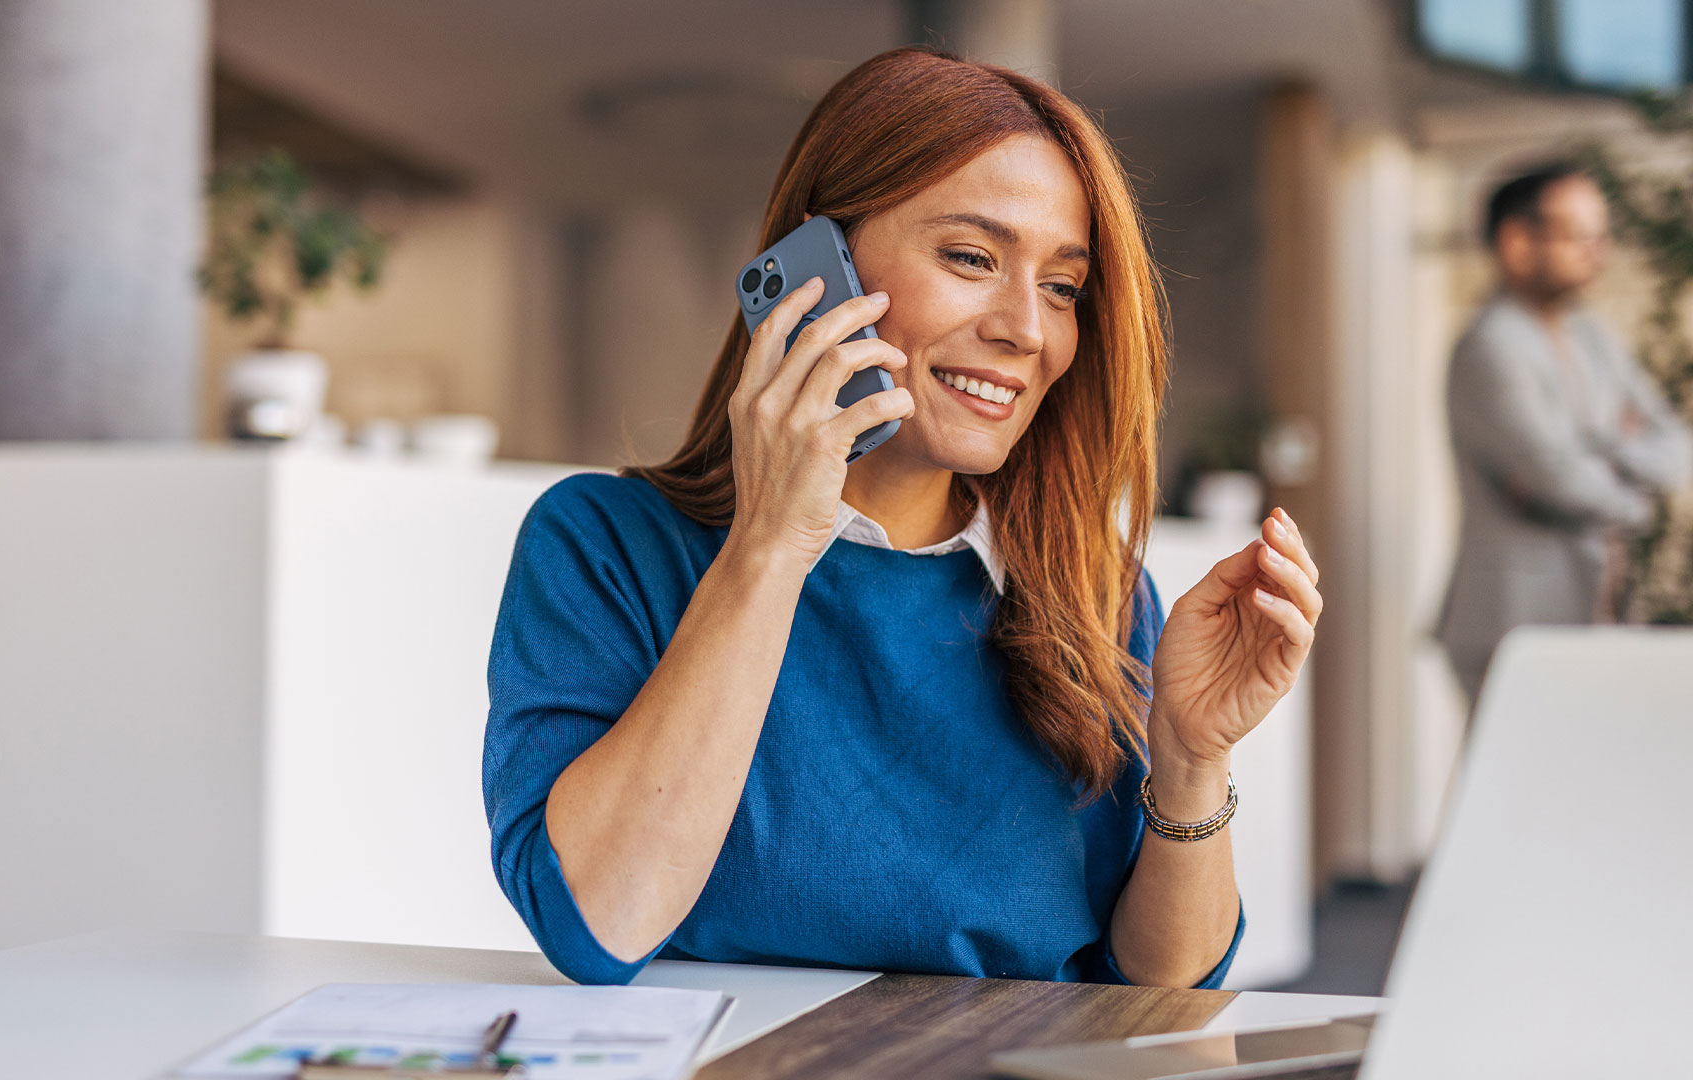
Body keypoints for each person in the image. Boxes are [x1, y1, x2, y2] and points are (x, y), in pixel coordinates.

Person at [482, 47, 1322, 988]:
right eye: (971, 258)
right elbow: (599, 920)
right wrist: (771, 548)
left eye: (1061, 286)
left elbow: (1163, 990)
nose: (1028, 330)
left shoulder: (1094, 588)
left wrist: (1190, 756)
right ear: (814, 270)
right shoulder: (603, 547)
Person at [1437, 163, 1693, 710]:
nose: (1597, 251)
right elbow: (1558, 476)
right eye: (1578, 235)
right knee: (1518, 790)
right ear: (1517, 241)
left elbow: (1674, 443)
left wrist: (1598, 446)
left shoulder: (1590, 335)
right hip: (1513, 621)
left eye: (1602, 235)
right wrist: (1634, 493)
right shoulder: (1491, 346)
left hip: (1590, 614)